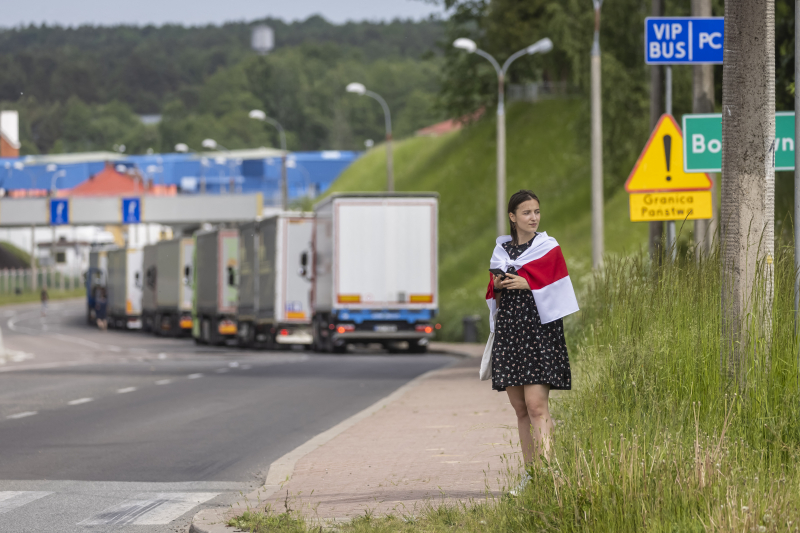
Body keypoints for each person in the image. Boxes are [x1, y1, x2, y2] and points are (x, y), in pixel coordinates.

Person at [485, 190, 579, 492]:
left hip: (539, 333)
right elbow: (492, 295)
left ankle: (548, 474)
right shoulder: (501, 250)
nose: (533, 218)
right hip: (511, 333)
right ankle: (531, 475)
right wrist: (499, 285)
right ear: (513, 217)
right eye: (526, 213)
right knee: (521, 409)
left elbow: (561, 288)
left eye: (536, 212)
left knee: (537, 405)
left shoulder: (548, 248)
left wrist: (529, 283)